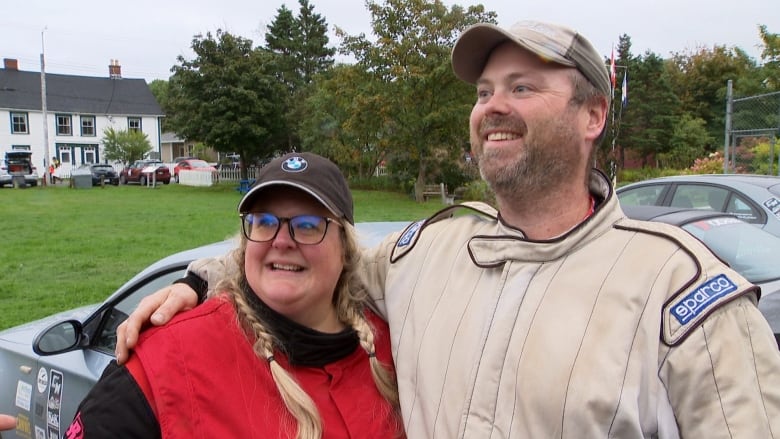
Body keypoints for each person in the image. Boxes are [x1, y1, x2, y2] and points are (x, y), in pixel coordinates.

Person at [117, 20, 780, 437]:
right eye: (485, 89)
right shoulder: (425, 254)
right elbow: (312, 262)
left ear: (593, 115)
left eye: (522, 87)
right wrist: (198, 280)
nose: (493, 104)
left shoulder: (683, 295)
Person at [65, 152, 403, 438]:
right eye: (265, 222)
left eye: (308, 225)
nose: (281, 241)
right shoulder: (170, 358)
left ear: (345, 248)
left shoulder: (397, 344)